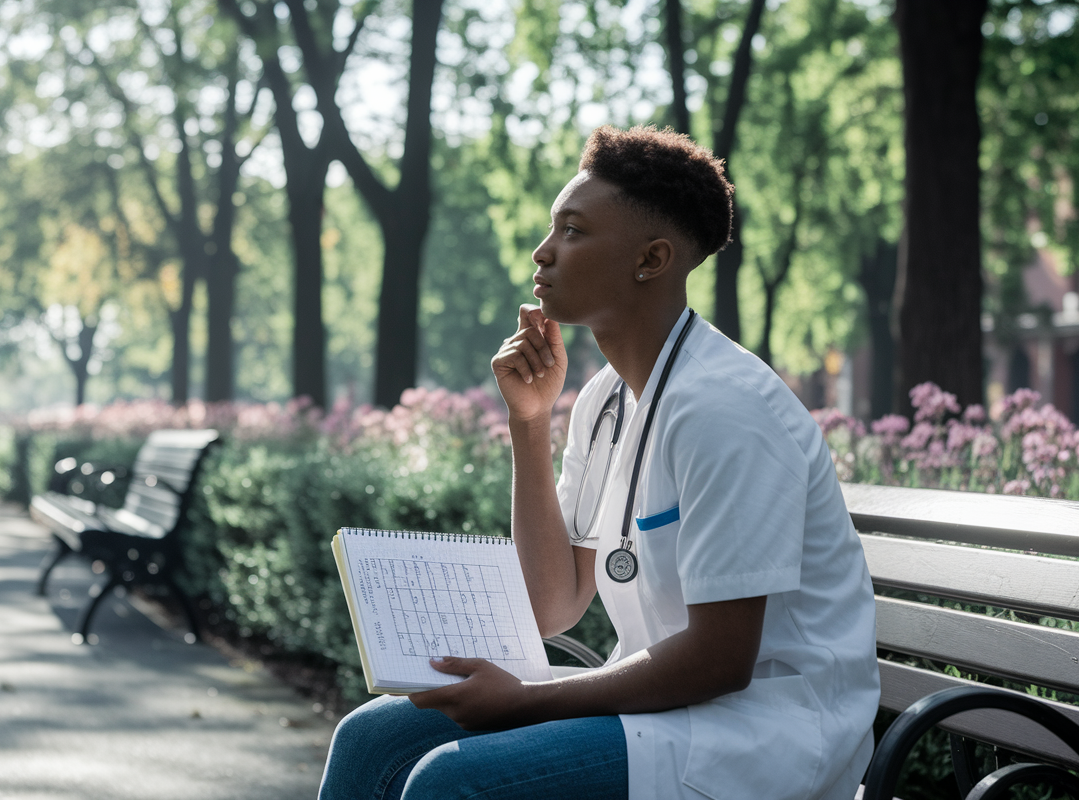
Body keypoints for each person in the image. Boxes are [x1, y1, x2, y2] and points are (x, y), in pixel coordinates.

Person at [318, 125, 879, 800]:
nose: (543, 251)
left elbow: (722, 660)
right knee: (371, 738)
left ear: (651, 259)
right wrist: (529, 422)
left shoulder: (727, 409)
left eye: (574, 231)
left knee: (453, 784)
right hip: (666, 705)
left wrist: (525, 699)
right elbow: (552, 604)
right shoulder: (605, 400)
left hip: (764, 729)